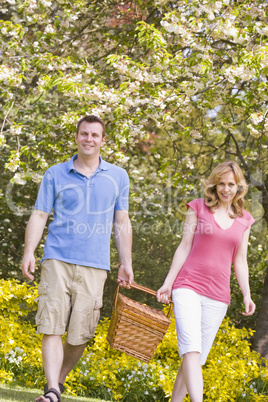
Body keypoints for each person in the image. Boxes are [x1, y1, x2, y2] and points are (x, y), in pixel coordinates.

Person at [21, 115, 133, 402]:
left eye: (95, 135)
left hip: (96, 264)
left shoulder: (118, 176)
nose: (89, 139)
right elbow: (40, 214)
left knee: (80, 334)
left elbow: (121, 221)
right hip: (57, 258)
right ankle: (51, 390)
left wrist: (126, 262)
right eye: (84, 133)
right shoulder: (55, 173)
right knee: (51, 324)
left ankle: (57, 382)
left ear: (103, 140)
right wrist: (29, 252)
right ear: (76, 137)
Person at [156, 161, 256, 402]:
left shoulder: (245, 219)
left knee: (195, 358)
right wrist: (168, 282)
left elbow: (240, 261)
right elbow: (184, 247)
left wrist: (247, 295)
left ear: (238, 186)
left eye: (231, 184)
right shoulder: (197, 208)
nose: (225, 189)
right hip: (187, 285)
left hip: (218, 296)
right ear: (214, 185)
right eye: (221, 183)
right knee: (191, 349)